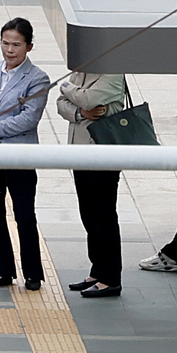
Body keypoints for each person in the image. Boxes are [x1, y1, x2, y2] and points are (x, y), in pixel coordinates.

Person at [0, 18, 50, 290]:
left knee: (24, 213)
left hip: (19, 154)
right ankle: (0, 269)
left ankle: (33, 272)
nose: (10, 50)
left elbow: (29, 118)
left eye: (16, 44)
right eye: (5, 43)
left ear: (29, 47)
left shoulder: (37, 78)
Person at [58, 70, 128, 297]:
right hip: (80, 153)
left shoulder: (113, 74)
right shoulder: (81, 72)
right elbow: (61, 105)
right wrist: (80, 112)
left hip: (103, 155)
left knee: (104, 214)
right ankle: (97, 270)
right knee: (88, 213)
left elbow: (89, 99)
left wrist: (68, 89)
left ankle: (110, 277)